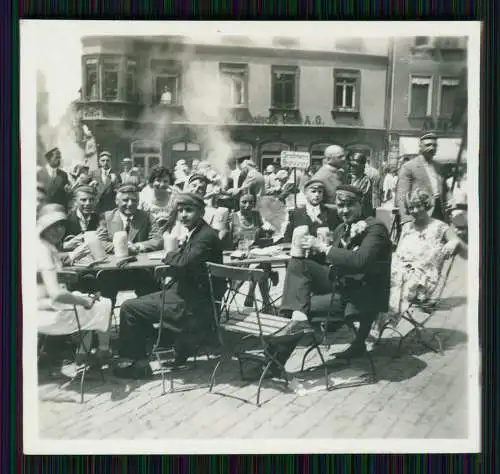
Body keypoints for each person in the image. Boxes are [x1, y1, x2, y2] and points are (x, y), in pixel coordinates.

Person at [265, 185, 392, 372]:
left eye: (350, 205)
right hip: (341, 286)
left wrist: (325, 249)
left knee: (298, 308)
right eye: (340, 206)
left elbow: (360, 260)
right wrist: (317, 249)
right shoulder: (342, 228)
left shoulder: (375, 229)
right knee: (298, 264)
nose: (344, 210)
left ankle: (272, 365)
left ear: (361, 205)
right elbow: (330, 260)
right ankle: (276, 354)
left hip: (360, 296)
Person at [114, 193, 223, 379]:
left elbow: (184, 262)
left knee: (129, 307)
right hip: (186, 295)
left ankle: (136, 364)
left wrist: (168, 254)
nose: (183, 215)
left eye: (189, 210)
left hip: (192, 306)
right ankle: (146, 354)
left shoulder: (205, 236)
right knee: (141, 298)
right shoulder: (197, 231)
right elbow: (184, 261)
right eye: (180, 211)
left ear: (201, 211)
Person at [378, 188, 467, 330]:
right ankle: (374, 320)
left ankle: (381, 322)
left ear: (426, 205)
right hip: (401, 268)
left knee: (391, 283)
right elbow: (399, 251)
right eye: (411, 207)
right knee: (377, 278)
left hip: (423, 276)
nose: (414, 210)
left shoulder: (439, 226)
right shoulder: (407, 226)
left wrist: (453, 243)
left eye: (418, 206)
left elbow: (460, 245)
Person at [37, 204, 112, 360]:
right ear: (43, 227)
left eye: (61, 225)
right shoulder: (44, 251)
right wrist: (83, 300)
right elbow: (56, 294)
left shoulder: (39, 245)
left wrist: (70, 260)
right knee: (103, 303)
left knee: (92, 298)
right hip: (48, 316)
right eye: (53, 226)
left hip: (36, 308)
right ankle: (102, 351)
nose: (59, 230)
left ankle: (83, 353)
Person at [283, 179, 341, 264]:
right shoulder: (296, 213)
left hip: (323, 261)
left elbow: (336, 237)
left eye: (320, 192)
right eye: (313, 191)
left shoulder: (330, 213)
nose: (317, 195)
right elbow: (288, 237)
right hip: (301, 260)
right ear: (306, 194)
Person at [96, 183, 162, 256]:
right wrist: (122, 247)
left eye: (134, 200)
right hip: (114, 263)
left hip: (141, 263)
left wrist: (137, 246)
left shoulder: (147, 216)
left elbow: (158, 240)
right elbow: (99, 242)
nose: (130, 204)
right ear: (116, 201)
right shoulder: (106, 217)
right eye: (125, 200)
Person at [396, 132, 447, 223]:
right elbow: (402, 195)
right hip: (420, 213)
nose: (432, 148)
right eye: (428, 145)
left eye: (435, 145)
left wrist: (451, 200)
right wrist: (405, 219)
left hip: (440, 213)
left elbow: (445, 189)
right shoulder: (409, 167)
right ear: (420, 147)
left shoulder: (439, 167)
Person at [63, 185, 101, 251]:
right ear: (75, 201)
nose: (88, 203)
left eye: (91, 200)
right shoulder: (66, 220)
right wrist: (66, 245)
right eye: (83, 200)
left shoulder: (99, 219)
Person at [347, 151, 374, 217]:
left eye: (355, 166)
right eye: (350, 166)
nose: (351, 168)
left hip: (361, 213)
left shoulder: (366, 180)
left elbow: (361, 199)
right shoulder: (348, 178)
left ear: (362, 166)